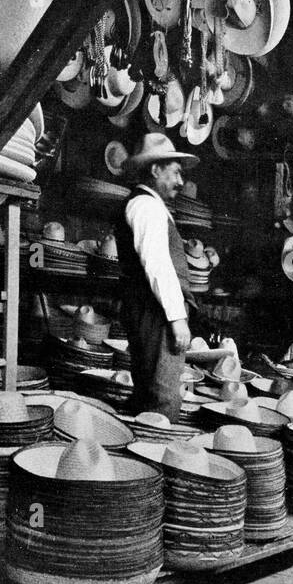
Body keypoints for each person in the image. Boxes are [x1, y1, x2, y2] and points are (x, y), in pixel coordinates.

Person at [114, 134, 199, 420]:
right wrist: (177, 318)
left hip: (151, 310)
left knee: (150, 392)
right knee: (162, 398)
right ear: (154, 170)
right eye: (175, 171)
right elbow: (157, 263)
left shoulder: (148, 205)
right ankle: (155, 456)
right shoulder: (146, 206)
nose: (180, 181)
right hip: (157, 312)